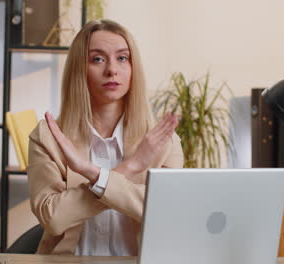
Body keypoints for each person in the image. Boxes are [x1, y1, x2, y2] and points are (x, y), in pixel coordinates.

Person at [27, 19, 183, 256]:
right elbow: (54, 219)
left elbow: (166, 213)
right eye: (97, 59)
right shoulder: (48, 137)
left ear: (133, 68)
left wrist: (94, 175)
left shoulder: (162, 141)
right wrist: (130, 167)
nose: (112, 70)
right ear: (80, 69)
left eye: (122, 58)